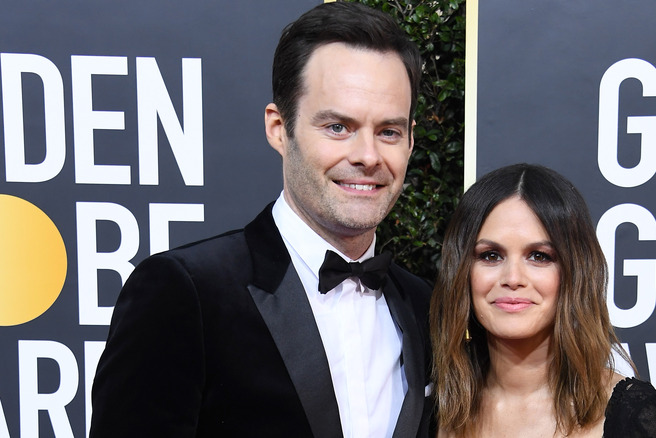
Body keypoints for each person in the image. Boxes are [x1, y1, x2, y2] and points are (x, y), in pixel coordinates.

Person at [90, 2, 432, 437]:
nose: (367, 156)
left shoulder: (422, 307)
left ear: (410, 140)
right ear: (278, 128)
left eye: (388, 131)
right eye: (337, 127)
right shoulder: (186, 293)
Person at [429, 163, 656, 437]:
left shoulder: (646, 424)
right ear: (463, 271)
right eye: (490, 255)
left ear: (574, 273)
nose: (512, 277)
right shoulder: (428, 415)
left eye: (539, 256)